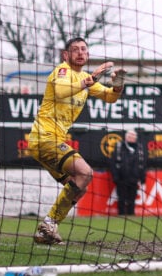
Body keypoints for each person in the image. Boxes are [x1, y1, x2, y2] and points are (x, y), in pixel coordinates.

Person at [27, 37, 124, 244]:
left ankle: (47, 230)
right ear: (66, 55)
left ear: (87, 55)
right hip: (44, 138)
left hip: (47, 142)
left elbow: (110, 97)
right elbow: (62, 91)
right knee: (86, 172)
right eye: (75, 49)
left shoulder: (85, 79)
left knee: (79, 185)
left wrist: (117, 85)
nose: (80, 53)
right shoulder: (62, 71)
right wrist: (91, 79)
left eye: (84, 50)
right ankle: (49, 222)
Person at [110, 129, 147, 216]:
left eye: (133, 136)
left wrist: (142, 176)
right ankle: (121, 214)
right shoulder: (119, 147)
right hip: (121, 177)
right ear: (126, 137)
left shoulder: (140, 148)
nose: (131, 138)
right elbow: (113, 162)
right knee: (121, 197)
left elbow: (143, 163)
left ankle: (131, 214)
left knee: (132, 198)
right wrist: (115, 175)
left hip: (134, 177)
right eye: (130, 136)